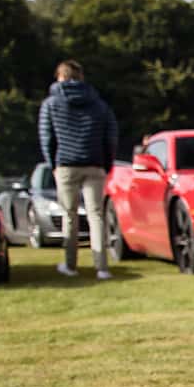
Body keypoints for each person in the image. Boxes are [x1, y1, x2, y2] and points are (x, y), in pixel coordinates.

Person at [37, 60, 120, 280]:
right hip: (95, 164)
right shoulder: (99, 104)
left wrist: (53, 164)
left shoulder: (51, 104)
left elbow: (47, 137)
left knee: (70, 216)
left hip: (66, 164)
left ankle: (70, 264)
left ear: (60, 77)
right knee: (96, 215)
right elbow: (110, 136)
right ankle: (102, 267)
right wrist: (107, 162)